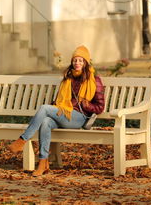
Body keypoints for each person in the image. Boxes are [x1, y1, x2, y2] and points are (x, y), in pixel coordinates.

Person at [8, 45, 105, 176]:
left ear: (86, 62)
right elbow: (59, 100)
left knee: (44, 108)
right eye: (75, 60)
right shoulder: (68, 78)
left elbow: (100, 107)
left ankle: (22, 140)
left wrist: (86, 105)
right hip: (64, 114)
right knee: (46, 121)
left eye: (80, 60)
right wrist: (54, 108)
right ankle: (43, 163)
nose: (77, 63)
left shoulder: (94, 80)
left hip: (79, 118)